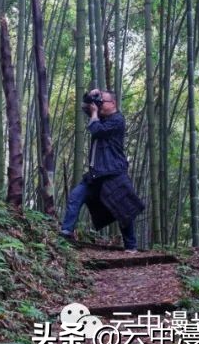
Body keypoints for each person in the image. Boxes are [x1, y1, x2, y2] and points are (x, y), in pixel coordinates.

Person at [59, 88, 144, 251]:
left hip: (113, 172)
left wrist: (95, 114)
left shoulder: (117, 120)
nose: (98, 104)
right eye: (98, 102)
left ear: (113, 103)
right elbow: (85, 106)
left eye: (101, 101)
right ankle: (66, 232)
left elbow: (96, 130)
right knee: (75, 196)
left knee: (123, 209)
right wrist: (90, 95)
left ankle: (131, 246)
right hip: (96, 174)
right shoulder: (100, 117)